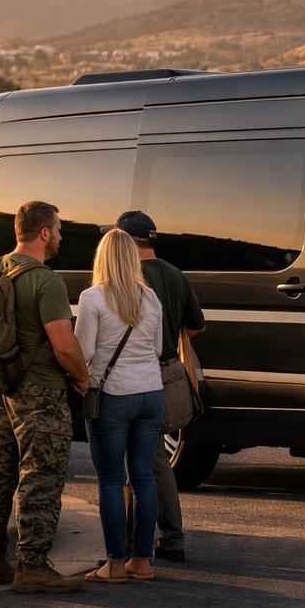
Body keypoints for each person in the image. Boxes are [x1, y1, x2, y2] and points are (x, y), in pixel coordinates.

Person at [0, 200, 91, 595]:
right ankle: (32, 565)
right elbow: (64, 345)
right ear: (43, 232)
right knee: (40, 475)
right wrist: (82, 377)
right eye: (57, 230)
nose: (60, 237)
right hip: (39, 393)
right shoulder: (46, 280)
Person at [113, 210, 204, 563]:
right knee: (156, 458)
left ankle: (141, 542)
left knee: (137, 462)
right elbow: (194, 325)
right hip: (167, 373)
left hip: (134, 376)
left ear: (125, 240)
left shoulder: (124, 277)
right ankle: (168, 537)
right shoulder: (174, 274)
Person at [76, 228, 165, 583]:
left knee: (111, 479)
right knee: (143, 476)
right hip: (151, 393)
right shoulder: (151, 298)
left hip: (112, 395)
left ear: (102, 258)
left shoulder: (92, 298)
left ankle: (114, 564)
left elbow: (84, 351)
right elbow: (158, 348)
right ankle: (142, 561)